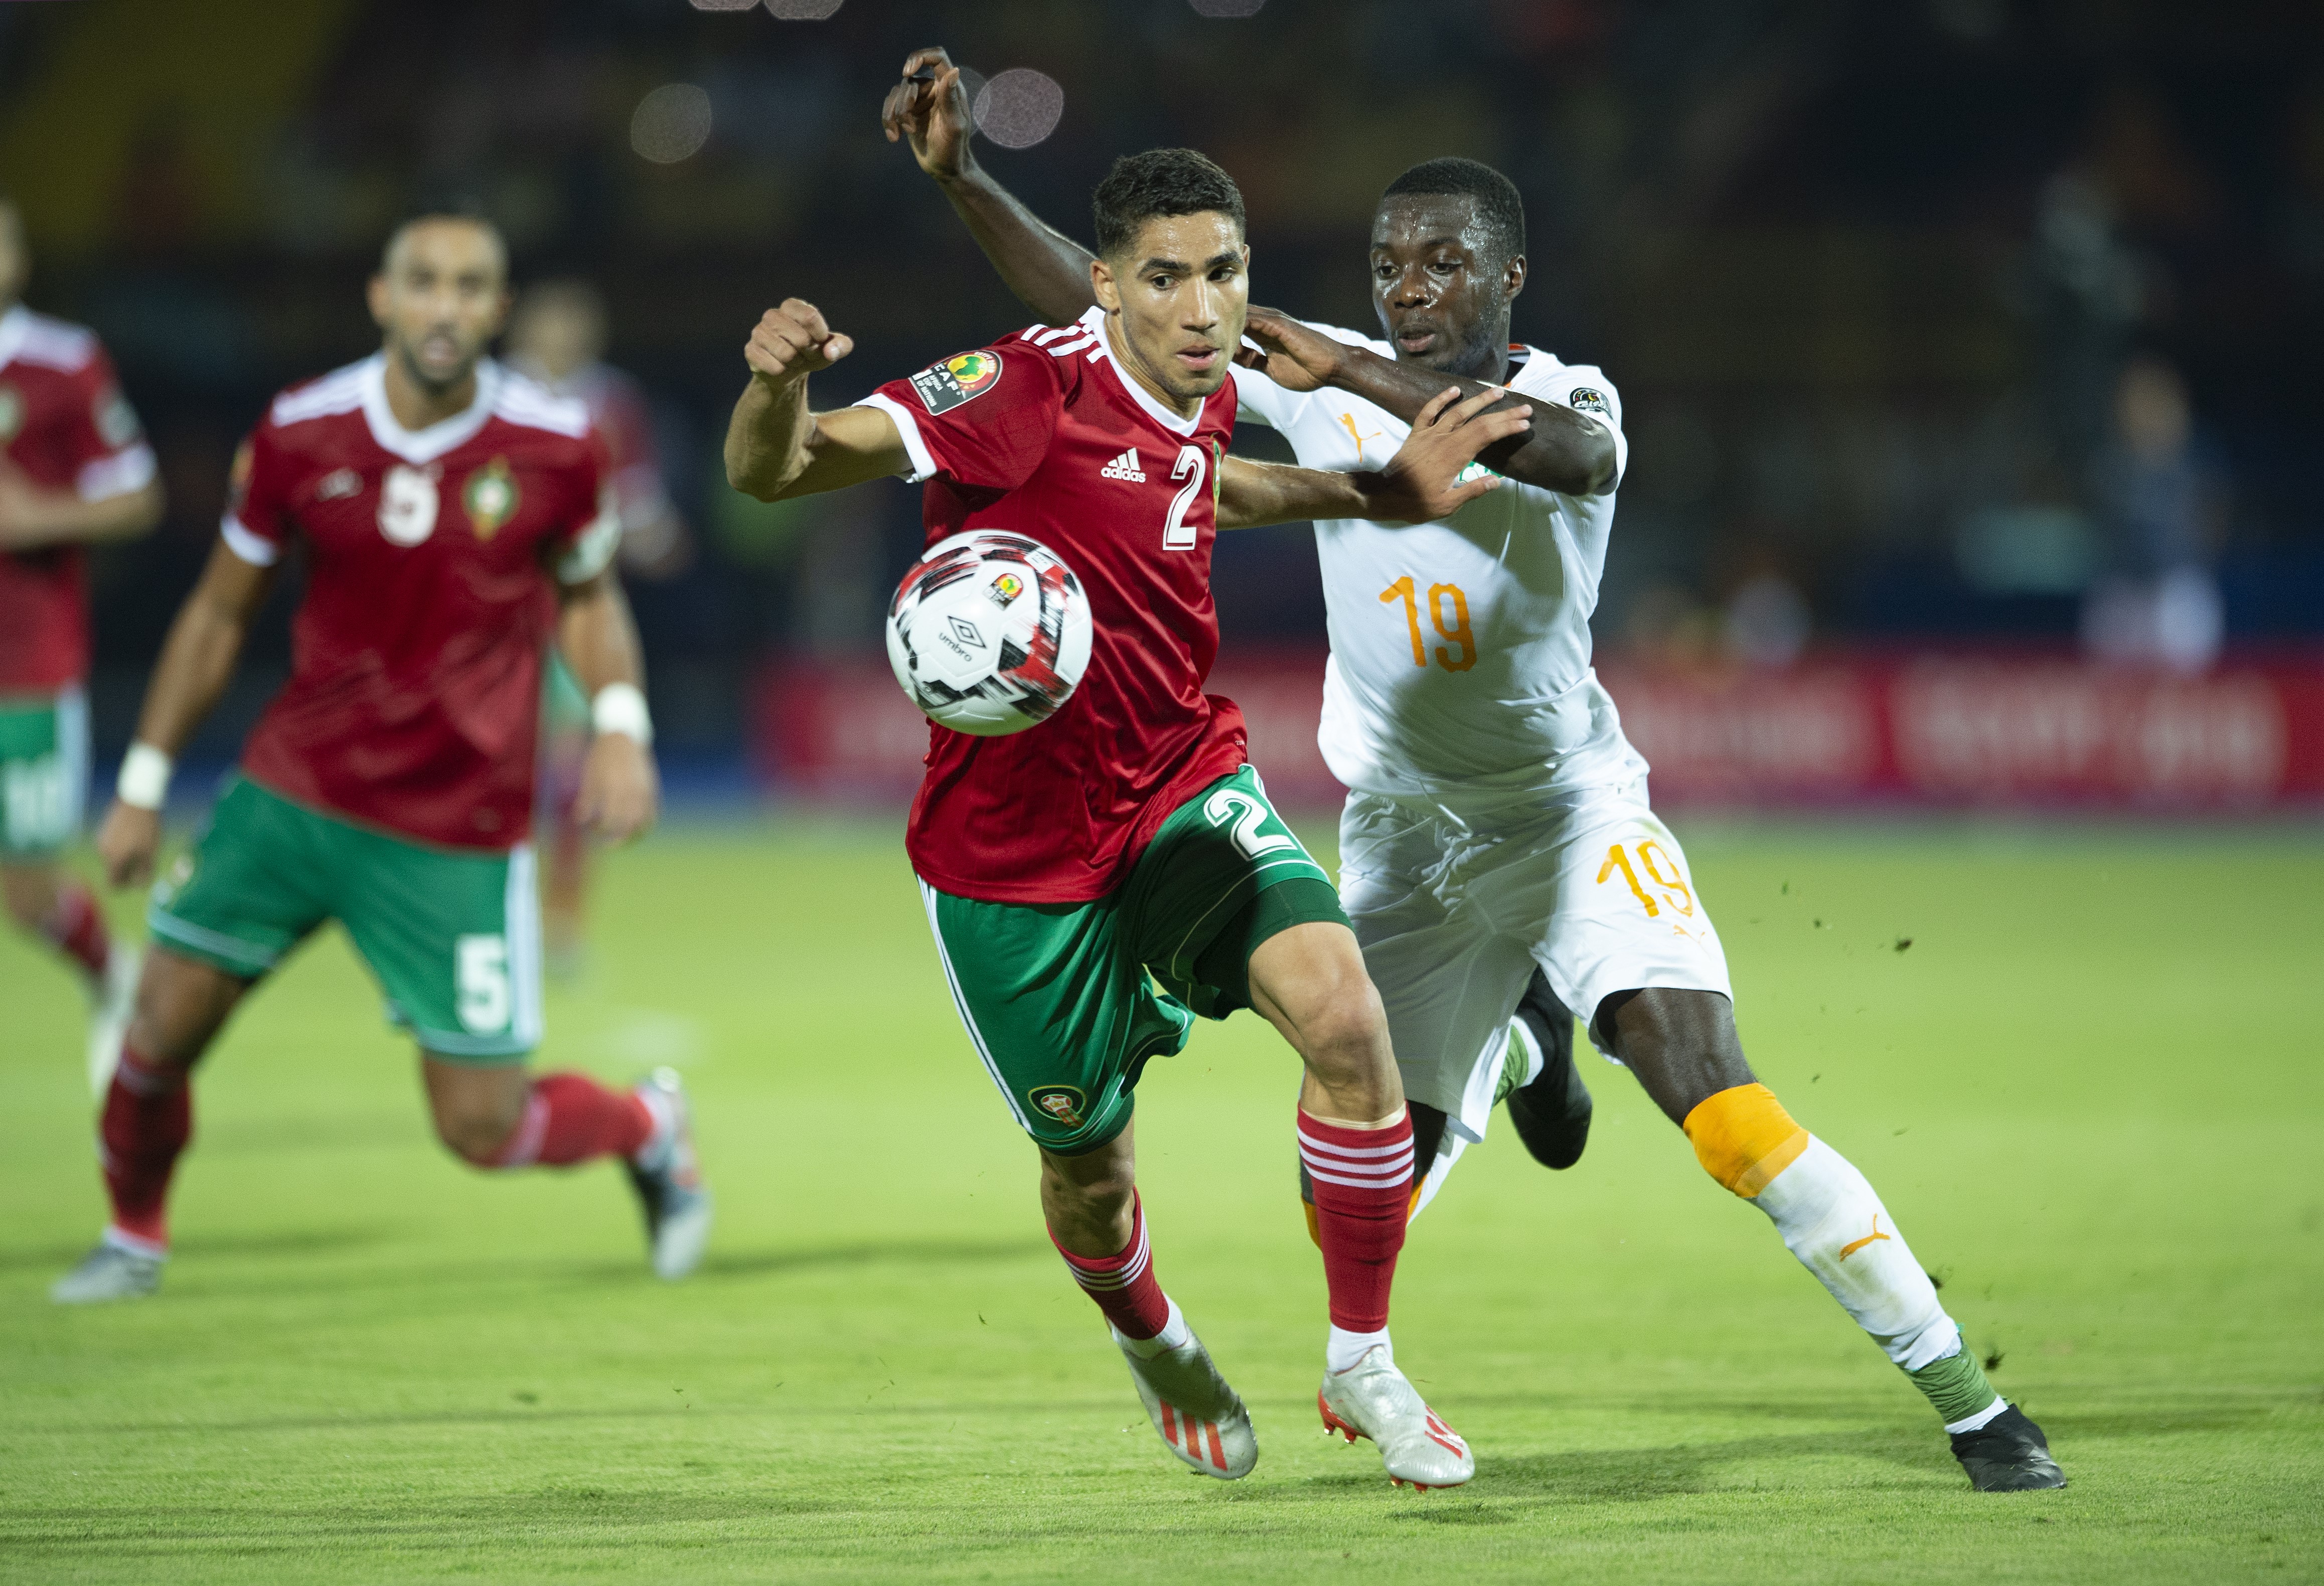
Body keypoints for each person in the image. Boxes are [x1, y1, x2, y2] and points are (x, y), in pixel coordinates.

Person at [884, 51, 2066, 1492]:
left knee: (1719, 1104)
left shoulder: (1564, 391)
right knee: (1363, 1169)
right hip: (1400, 839)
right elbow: (1104, 289)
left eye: (1443, 262)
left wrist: (1348, 369)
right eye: (1388, 263)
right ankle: (1519, 1043)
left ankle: (1966, 1401)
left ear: (1510, 275)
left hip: (1566, 817)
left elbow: (1567, 458)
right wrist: (961, 178)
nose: (1409, 285)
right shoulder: (1301, 366)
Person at [725, 149, 1528, 1488]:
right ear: (1105, 288)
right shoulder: (1022, 390)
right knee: (1090, 1175)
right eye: (1167, 278)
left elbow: (1208, 487)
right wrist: (774, 385)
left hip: (1178, 785)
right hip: (1010, 862)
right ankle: (1150, 1333)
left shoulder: (1204, 394)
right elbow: (784, 470)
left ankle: (1363, 1363)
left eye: (1224, 274)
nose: (1204, 308)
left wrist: (1373, 492)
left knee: (1343, 1017)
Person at [50, 215, 710, 1305]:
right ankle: (133, 1238)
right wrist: (138, 785)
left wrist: (621, 728)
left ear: (496, 310)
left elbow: (589, 597)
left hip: (457, 828)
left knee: (482, 1128)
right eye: (425, 283)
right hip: (293, 797)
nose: (445, 306)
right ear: (382, 297)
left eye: (469, 287)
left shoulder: (557, 443)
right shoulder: (302, 434)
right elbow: (218, 614)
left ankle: (648, 1127)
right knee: (158, 1028)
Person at [0, 194, 164, 1094]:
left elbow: (137, 495)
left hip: (25, 668)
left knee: (26, 894)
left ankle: (113, 978)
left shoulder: (63, 364)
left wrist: (38, 516)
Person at [505, 279, 693, 976]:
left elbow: (635, 497)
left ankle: (561, 920)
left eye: (575, 324)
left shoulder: (612, 402)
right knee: (499, 767)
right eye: (551, 322)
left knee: (567, 769)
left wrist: (656, 536)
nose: (563, 337)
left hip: (576, 606)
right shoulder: (490, 397)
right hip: (494, 609)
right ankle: (492, 906)